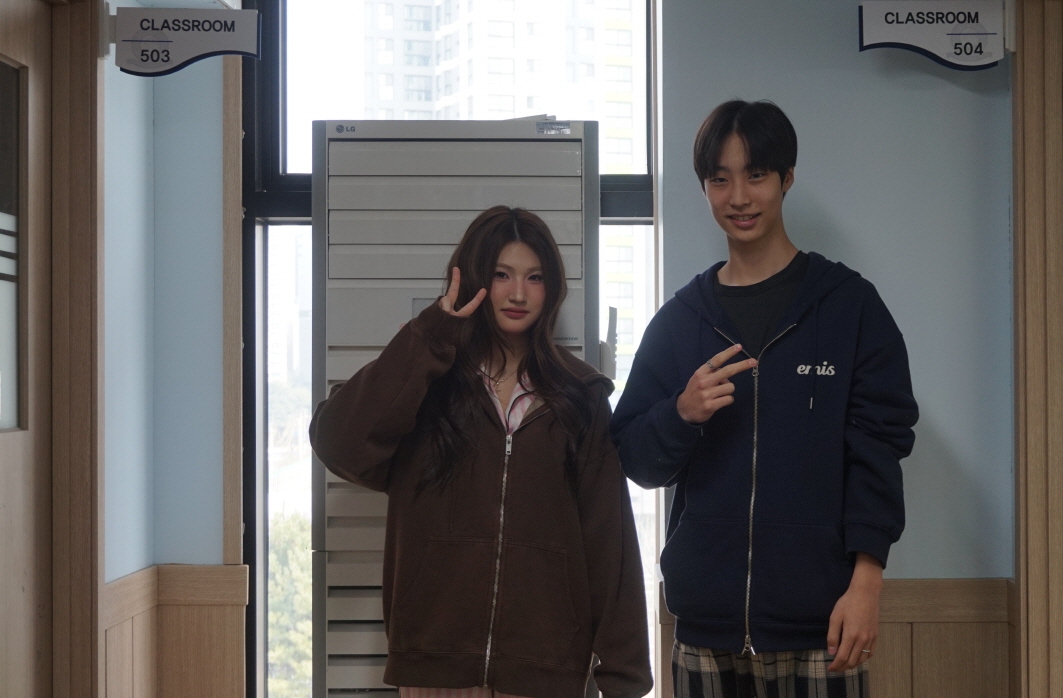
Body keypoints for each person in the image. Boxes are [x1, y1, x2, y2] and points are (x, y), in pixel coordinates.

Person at [610, 100, 919, 697]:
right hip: (705, 630)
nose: (738, 197)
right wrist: (681, 414)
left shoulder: (848, 307)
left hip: (824, 625)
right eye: (719, 179)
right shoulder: (681, 321)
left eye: (755, 175)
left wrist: (867, 580)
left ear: (786, 178)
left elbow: (879, 450)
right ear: (704, 188)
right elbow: (636, 460)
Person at [310, 205, 653, 698]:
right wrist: (430, 336)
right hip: (433, 668)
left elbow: (610, 541)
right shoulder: (427, 386)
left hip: (545, 671)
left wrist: (624, 678)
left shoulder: (582, 395)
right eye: (501, 275)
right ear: (473, 279)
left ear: (552, 288)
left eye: (535, 277)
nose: (518, 293)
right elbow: (339, 443)